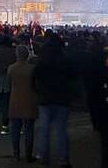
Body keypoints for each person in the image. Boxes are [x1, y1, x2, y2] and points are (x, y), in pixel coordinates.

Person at [32, 32, 74, 168]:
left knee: (44, 129)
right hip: (62, 99)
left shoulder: (42, 59)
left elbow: (34, 78)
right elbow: (72, 80)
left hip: (45, 99)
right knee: (61, 130)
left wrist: (38, 92)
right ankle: (63, 159)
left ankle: (43, 158)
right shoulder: (66, 59)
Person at [7, 44, 37, 162]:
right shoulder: (32, 68)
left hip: (15, 100)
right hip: (30, 100)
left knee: (15, 129)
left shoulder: (11, 68)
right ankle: (28, 155)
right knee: (29, 129)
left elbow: (9, 84)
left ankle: (16, 154)